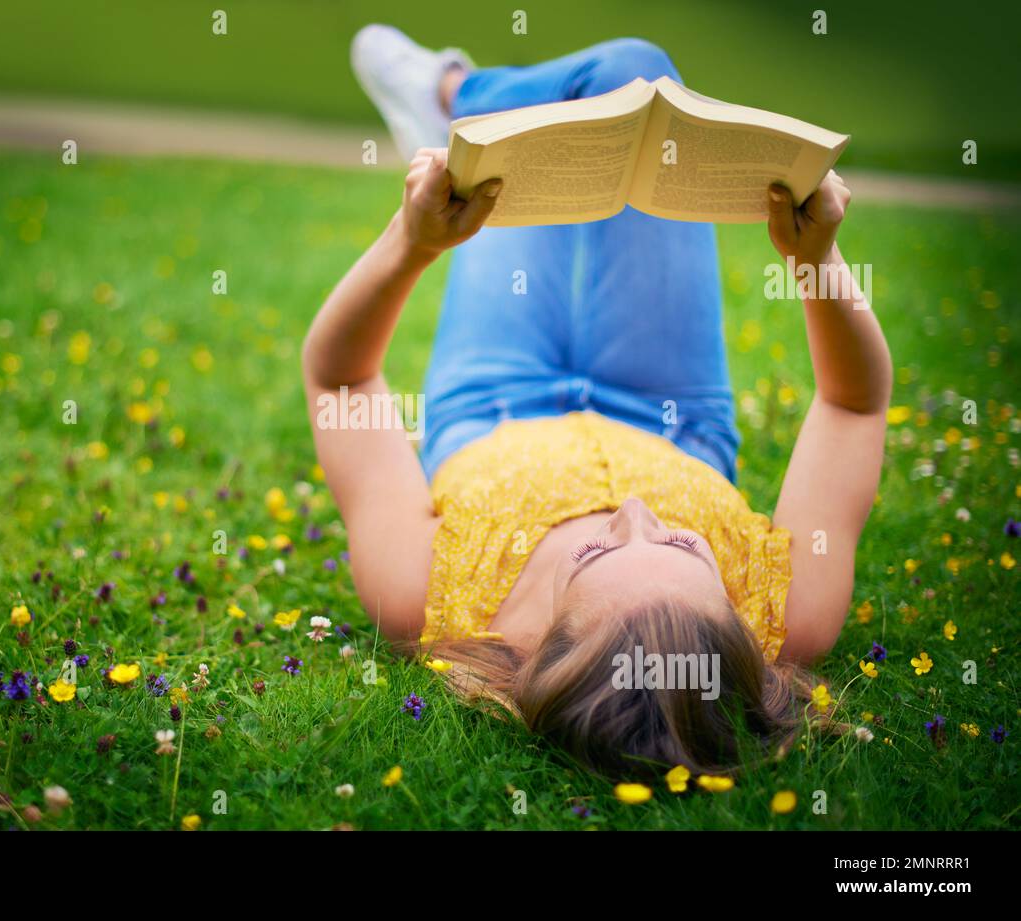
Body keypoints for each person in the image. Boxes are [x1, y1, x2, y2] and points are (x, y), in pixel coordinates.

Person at [301, 27, 891, 774]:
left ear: (540, 650)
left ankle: (451, 98)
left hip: (496, 394)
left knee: (500, 151)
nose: (639, 514)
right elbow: (853, 404)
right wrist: (818, 263)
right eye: (684, 545)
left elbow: (341, 381)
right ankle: (458, 97)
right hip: (668, 402)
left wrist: (412, 242)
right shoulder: (792, 615)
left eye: (592, 551)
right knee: (635, 77)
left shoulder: (424, 599)